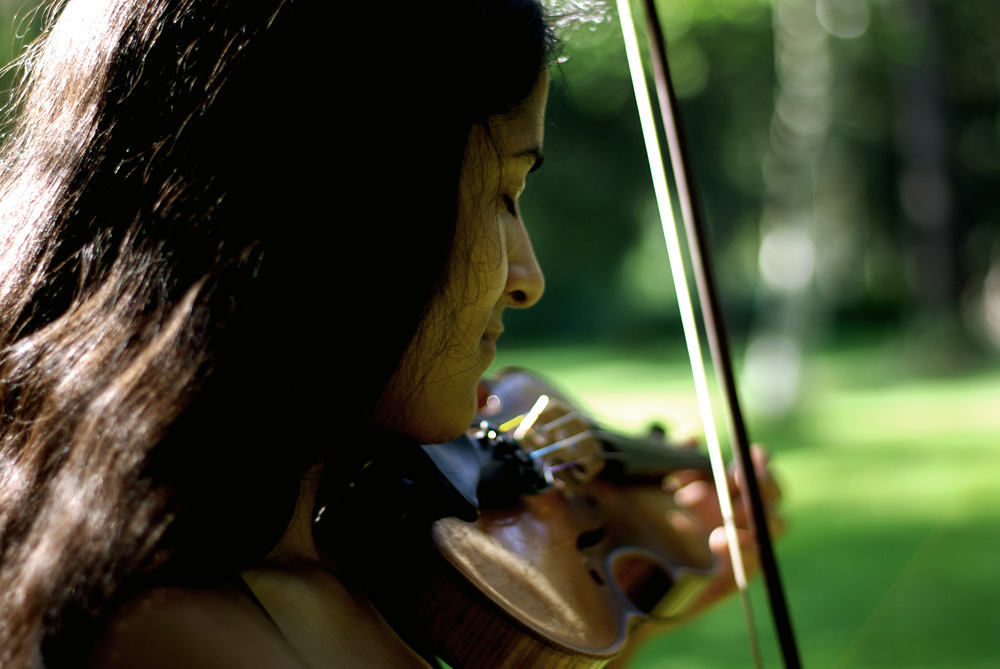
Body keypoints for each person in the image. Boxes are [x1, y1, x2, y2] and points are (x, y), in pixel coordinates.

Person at [0, 1, 781, 667]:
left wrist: (618, 601)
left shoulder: (310, 547)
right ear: (354, 209)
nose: (527, 275)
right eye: (504, 192)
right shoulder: (181, 637)